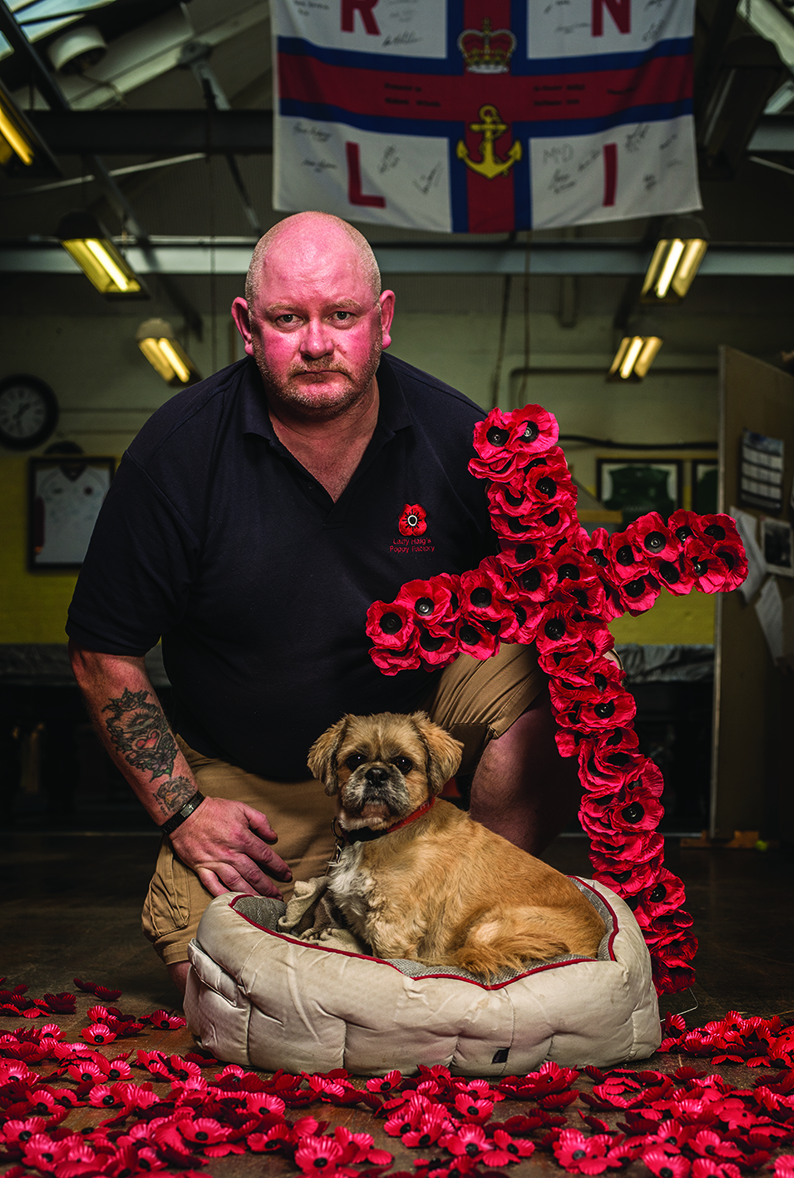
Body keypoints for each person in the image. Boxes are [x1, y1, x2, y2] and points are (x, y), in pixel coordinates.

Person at [67, 212, 578, 996]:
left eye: (341, 316)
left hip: (416, 764)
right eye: (286, 318)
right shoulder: (177, 454)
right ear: (246, 325)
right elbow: (103, 649)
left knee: (544, 663)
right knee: (206, 976)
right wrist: (184, 811)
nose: (315, 342)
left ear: (383, 320)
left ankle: (467, 894)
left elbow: (547, 598)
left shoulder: (459, 438)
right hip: (251, 783)